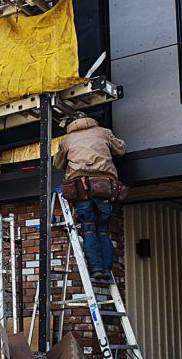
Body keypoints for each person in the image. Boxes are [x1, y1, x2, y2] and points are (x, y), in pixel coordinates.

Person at [53, 112, 128, 283]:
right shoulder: (103, 132)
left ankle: (96, 269)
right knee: (102, 229)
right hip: (104, 186)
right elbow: (121, 150)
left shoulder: (67, 140)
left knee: (88, 227)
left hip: (81, 188)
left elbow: (58, 164)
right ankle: (107, 271)